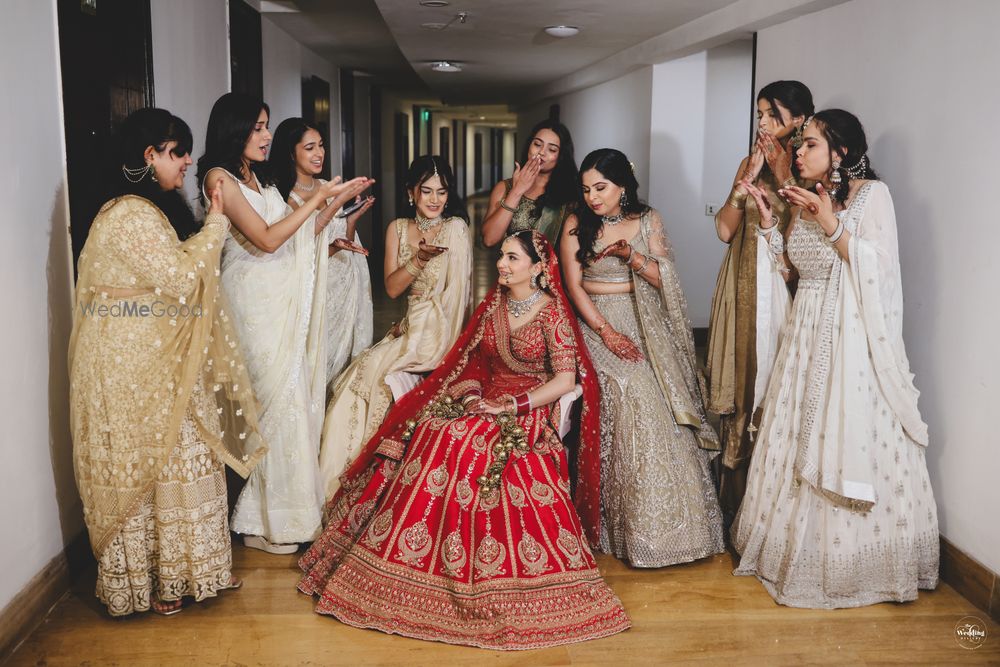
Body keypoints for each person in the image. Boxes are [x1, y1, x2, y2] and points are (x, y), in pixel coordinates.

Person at [299, 230, 630, 650]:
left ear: (537, 267)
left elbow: (565, 380)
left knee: (470, 441)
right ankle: (425, 561)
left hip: (527, 408)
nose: (502, 264)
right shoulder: (493, 306)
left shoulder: (552, 314)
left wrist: (511, 406)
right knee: (435, 429)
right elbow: (471, 362)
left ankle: (478, 569)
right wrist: (473, 397)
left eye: (512, 258)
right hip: (486, 399)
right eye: (502, 256)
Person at [731, 109, 939, 608]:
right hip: (803, 337)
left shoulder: (873, 196)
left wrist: (830, 223)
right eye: (800, 144)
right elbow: (795, 274)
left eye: (810, 145)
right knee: (795, 433)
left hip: (851, 342)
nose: (798, 153)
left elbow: (879, 270)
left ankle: (856, 562)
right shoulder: (805, 198)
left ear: (840, 152)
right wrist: (770, 225)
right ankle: (788, 549)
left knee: (842, 431)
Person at [69, 107, 264, 616]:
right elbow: (179, 279)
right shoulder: (129, 213)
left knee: (180, 453)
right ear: (148, 156)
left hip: (154, 354)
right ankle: (160, 580)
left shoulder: (146, 209)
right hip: (129, 363)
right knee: (156, 461)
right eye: (177, 153)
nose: (187, 162)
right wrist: (217, 223)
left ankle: (189, 572)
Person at [197, 93, 372, 554]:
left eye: (266, 126)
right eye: (258, 127)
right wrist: (318, 199)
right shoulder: (220, 178)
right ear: (235, 128)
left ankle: (274, 518)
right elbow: (268, 240)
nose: (266, 135)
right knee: (275, 406)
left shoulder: (256, 177)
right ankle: (262, 523)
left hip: (278, 300)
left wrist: (332, 205)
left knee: (293, 403)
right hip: (254, 305)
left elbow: (301, 236)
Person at [561, 148, 724, 567]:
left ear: (623, 186)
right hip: (596, 323)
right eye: (587, 189)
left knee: (663, 393)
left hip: (645, 320)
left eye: (601, 188)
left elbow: (665, 277)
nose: (593, 197)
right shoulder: (576, 223)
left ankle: (680, 530)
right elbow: (574, 287)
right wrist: (606, 332)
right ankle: (630, 528)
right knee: (632, 386)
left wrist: (629, 256)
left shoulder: (649, 219)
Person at [317, 155, 472, 499]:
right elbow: (391, 288)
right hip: (407, 327)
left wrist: (440, 346)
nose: (435, 199)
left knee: (384, 379)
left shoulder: (456, 229)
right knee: (357, 380)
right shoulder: (398, 229)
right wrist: (419, 259)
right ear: (410, 193)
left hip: (438, 333)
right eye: (426, 191)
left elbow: (458, 300)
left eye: (442, 192)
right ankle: (338, 489)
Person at [707, 81, 815, 523]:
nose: (764, 124)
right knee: (740, 383)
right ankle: (735, 505)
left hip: (784, 289)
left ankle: (772, 508)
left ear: (799, 120)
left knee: (775, 384)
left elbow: (803, 243)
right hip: (741, 285)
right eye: (760, 115)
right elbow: (724, 230)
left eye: (773, 115)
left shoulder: (810, 168)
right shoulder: (747, 162)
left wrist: (784, 174)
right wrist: (746, 181)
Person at [269, 117, 374, 386]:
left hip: (344, 281)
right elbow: (296, 252)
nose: (319, 153)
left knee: (345, 361)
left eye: (321, 145)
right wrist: (332, 245)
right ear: (290, 152)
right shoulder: (284, 197)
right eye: (310, 147)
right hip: (316, 289)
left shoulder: (327, 185)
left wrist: (351, 220)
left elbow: (345, 241)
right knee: (317, 362)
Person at [481, 119, 577, 246]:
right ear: (529, 146)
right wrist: (517, 191)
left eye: (552, 149)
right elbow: (489, 240)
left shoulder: (571, 193)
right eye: (537, 144)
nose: (542, 152)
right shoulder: (504, 188)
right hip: (511, 259)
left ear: (561, 156)